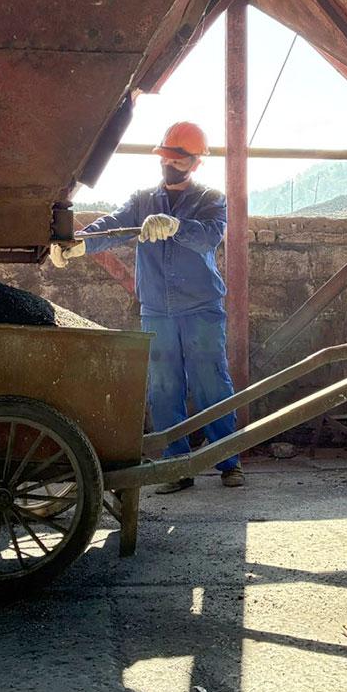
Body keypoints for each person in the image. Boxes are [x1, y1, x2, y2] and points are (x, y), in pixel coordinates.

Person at [50, 121, 245, 494]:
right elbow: (114, 224)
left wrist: (175, 225)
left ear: (196, 163)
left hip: (200, 307)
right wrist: (80, 243)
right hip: (157, 309)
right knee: (164, 388)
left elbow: (208, 237)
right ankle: (176, 466)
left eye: (178, 159)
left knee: (210, 382)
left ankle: (228, 462)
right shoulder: (142, 201)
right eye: (166, 157)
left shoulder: (211, 199)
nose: (169, 163)